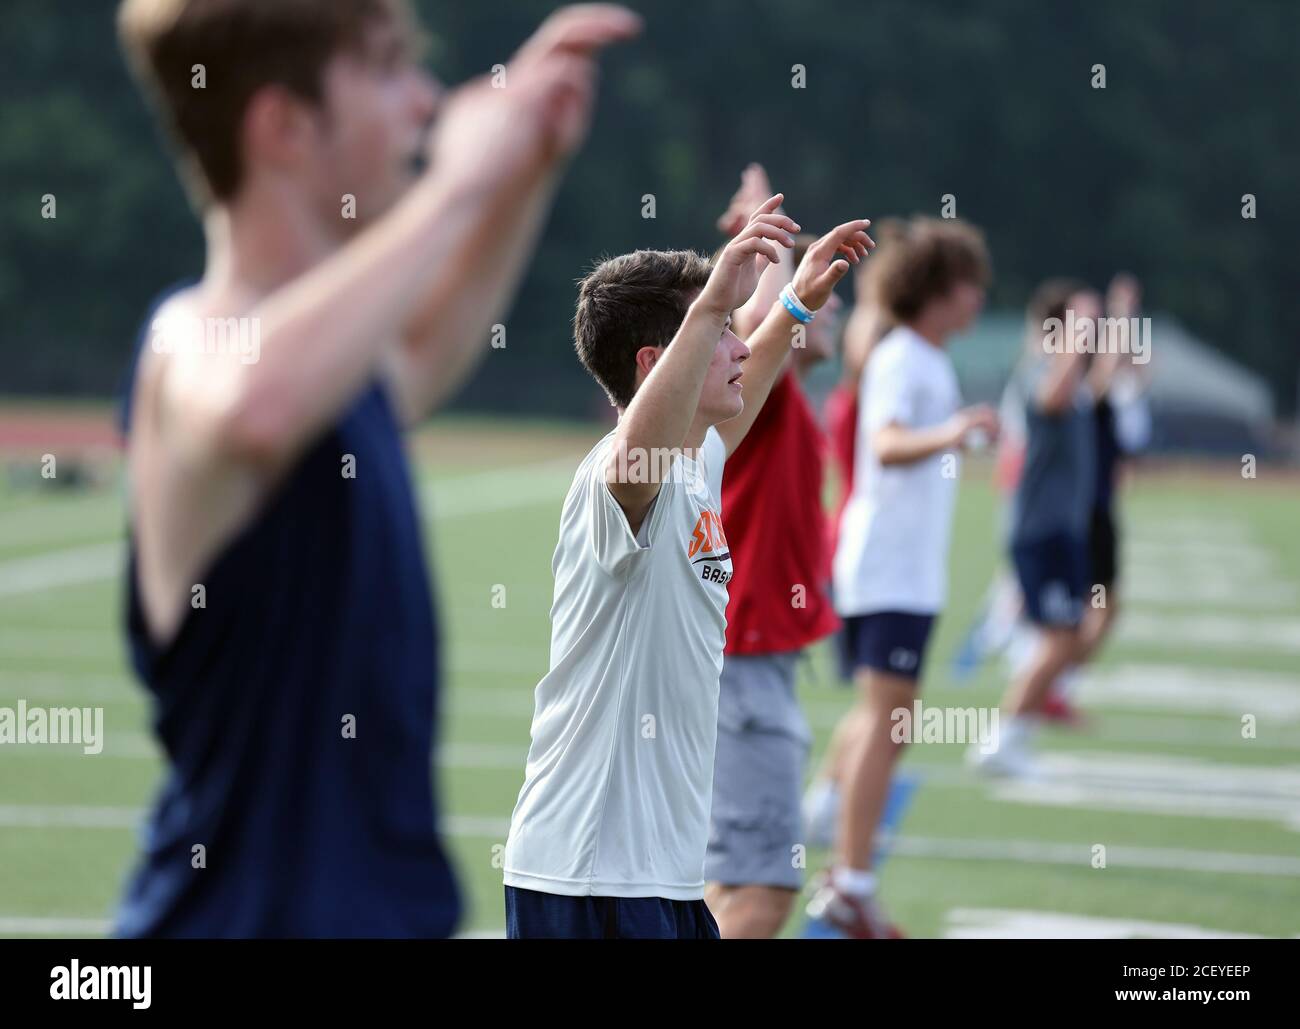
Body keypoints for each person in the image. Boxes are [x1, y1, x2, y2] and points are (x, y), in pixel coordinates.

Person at [113, 0, 640, 937]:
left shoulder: (340, 373)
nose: (427, 102)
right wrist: (460, 185)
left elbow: (426, 340)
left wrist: (526, 167)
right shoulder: (191, 344)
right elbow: (253, 404)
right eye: (390, 69)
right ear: (283, 126)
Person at [502, 198, 875, 939]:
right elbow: (639, 449)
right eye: (720, 336)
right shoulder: (623, 471)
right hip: (590, 874)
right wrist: (710, 305)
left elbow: (749, 386)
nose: (738, 348)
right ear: (654, 364)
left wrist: (796, 301)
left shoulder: (693, 462)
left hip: (661, 874)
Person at [808, 217, 997, 939]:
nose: (978, 299)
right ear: (939, 291)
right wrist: (954, 433)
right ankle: (851, 881)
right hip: (885, 570)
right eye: (968, 285)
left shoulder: (927, 357)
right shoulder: (905, 358)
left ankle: (833, 836)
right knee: (890, 722)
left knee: (885, 720)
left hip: (901, 572)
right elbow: (885, 443)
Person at [702, 165, 844, 939]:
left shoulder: (787, 401)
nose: (832, 312)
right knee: (757, 893)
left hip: (753, 654)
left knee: (737, 884)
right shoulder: (765, 385)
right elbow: (764, 320)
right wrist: (767, 238)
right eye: (825, 302)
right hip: (745, 654)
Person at [969, 280, 1117, 777]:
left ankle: (1015, 739)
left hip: (1061, 531)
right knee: (1060, 639)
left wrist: (1114, 321)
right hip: (1042, 530)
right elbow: (1054, 394)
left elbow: (1091, 390)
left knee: (1064, 638)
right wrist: (1080, 327)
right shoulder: (1041, 374)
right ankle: (1000, 740)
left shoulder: (1068, 381)